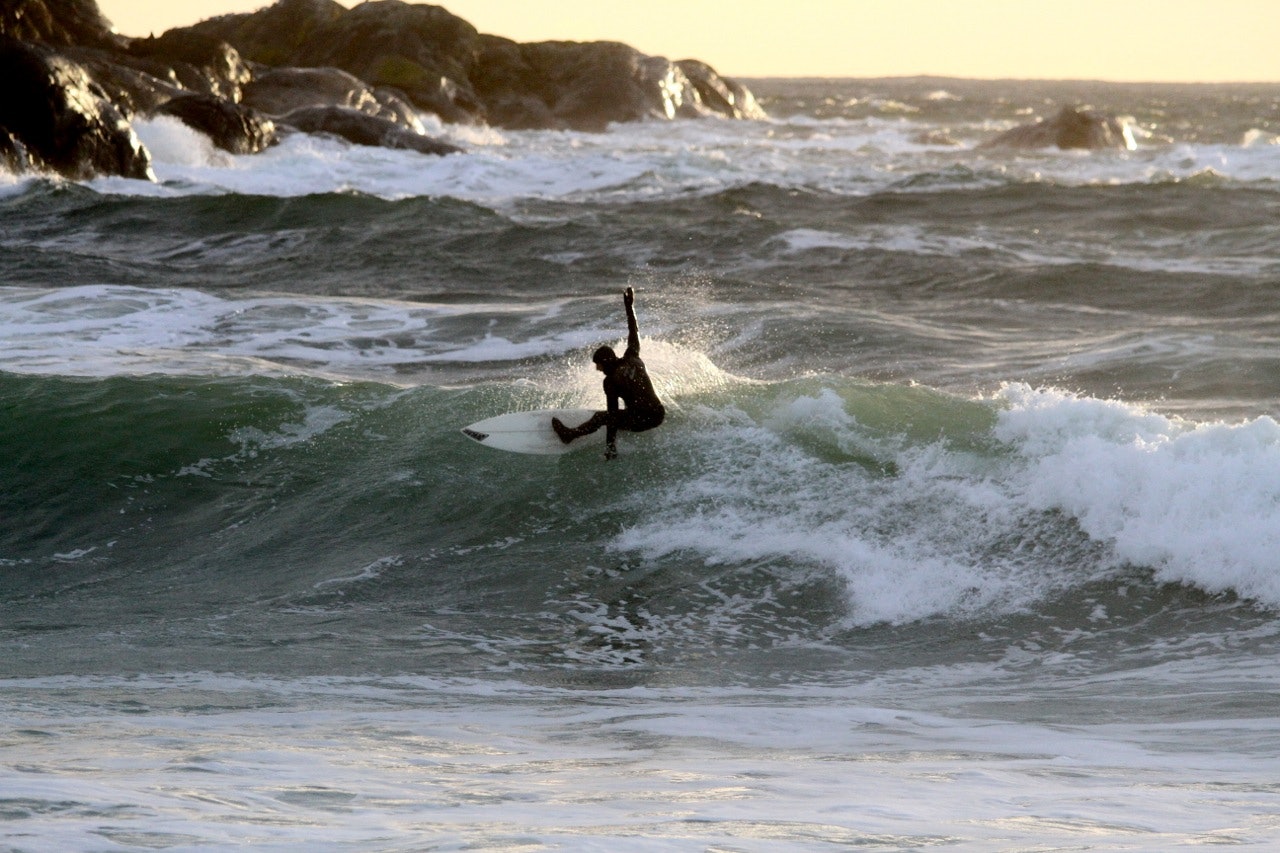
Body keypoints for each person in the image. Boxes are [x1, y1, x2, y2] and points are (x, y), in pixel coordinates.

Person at [553, 287, 664, 459]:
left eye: (598, 365)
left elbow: (611, 416)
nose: (598, 369)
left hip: (643, 420)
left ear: (605, 363)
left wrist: (610, 446)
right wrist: (629, 307)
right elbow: (634, 331)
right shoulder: (632, 356)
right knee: (632, 401)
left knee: (600, 417)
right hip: (658, 414)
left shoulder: (611, 381)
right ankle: (630, 416)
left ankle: (570, 435)